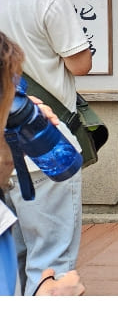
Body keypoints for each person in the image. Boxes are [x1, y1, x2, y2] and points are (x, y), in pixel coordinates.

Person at [0, 0, 92, 296]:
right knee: (50, 264)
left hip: (0, 151)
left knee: (11, 262)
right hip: (41, 144)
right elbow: (80, 64)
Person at [0, 30, 86, 296]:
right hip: (44, 171)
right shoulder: (51, 3)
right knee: (50, 260)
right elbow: (81, 63)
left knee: (21, 260)